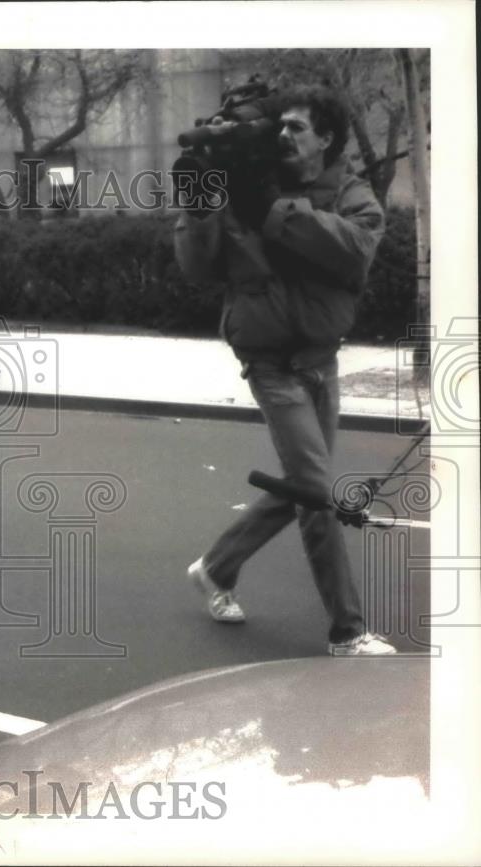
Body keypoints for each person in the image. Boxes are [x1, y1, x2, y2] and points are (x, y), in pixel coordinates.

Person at [173, 85, 396, 656]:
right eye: (280, 127)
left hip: (321, 361)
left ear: (326, 138)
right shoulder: (242, 184)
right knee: (316, 492)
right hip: (270, 364)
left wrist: (271, 209)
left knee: (304, 485)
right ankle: (347, 631)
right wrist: (201, 205)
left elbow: (352, 251)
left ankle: (217, 568)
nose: (283, 137)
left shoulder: (350, 193)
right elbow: (197, 268)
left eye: (297, 128)